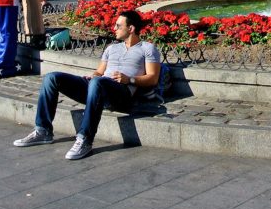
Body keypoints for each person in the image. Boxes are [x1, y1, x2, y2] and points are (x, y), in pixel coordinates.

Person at [13, 10, 162, 160]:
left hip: (121, 92)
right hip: (98, 86)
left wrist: (129, 79)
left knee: (98, 82)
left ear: (131, 29)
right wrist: (93, 77)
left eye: (118, 25)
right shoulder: (112, 48)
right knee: (52, 78)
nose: (114, 28)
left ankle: (85, 139)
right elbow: (99, 72)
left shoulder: (147, 49)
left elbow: (152, 78)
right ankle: (43, 130)